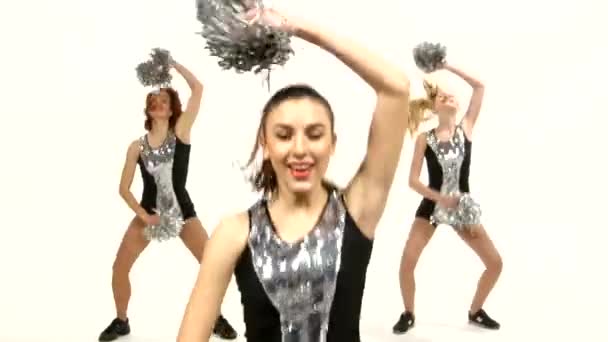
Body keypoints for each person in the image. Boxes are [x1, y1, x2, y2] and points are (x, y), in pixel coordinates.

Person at [176, 8, 411, 342]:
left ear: (332, 144)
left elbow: (396, 89)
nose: (300, 149)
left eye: (314, 134)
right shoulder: (234, 233)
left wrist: (297, 28)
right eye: (284, 135)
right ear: (266, 144)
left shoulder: (358, 212)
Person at [98, 60, 237, 341]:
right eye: (154, 100)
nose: (158, 103)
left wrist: (172, 64)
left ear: (173, 109)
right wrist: (144, 215)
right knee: (119, 267)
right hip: (149, 213)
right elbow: (123, 189)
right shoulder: (136, 146)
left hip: (183, 212)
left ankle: (215, 317)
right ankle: (121, 321)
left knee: (212, 264)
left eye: (164, 100)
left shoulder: (181, 133)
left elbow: (198, 88)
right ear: (148, 108)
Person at [392, 63, 503, 334]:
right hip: (432, 206)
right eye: (443, 97)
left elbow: (479, 86)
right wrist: (439, 197)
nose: (450, 98)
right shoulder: (424, 139)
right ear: (435, 108)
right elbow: (413, 181)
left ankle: (476, 311)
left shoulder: (466, 129)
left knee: (495, 263)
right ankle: (408, 313)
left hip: (463, 210)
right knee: (407, 261)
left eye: (452, 95)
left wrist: (446, 66)